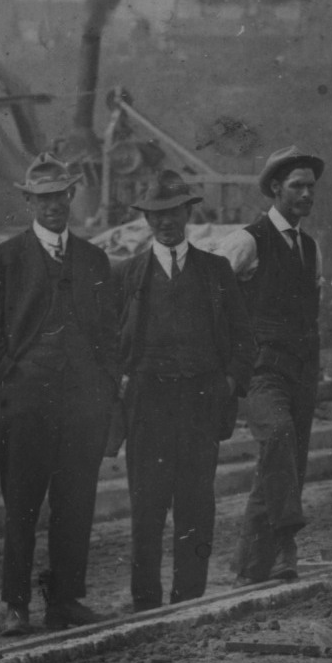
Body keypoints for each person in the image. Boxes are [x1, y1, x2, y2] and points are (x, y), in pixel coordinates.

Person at [0, 155, 120, 634]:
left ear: (71, 197)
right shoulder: (4, 259)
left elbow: (110, 333)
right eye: (43, 197)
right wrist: (8, 377)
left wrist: (103, 387)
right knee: (22, 505)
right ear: (29, 201)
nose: (53, 205)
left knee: (76, 502)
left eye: (60, 195)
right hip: (27, 402)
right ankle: (16, 605)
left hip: (82, 404)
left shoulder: (94, 260)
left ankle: (65, 601)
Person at [120, 168, 254, 610]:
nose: (165, 222)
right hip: (147, 402)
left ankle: (189, 596)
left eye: (173, 211)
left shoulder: (215, 271)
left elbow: (242, 338)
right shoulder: (128, 275)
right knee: (147, 505)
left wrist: (228, 382)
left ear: (188, 212)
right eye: (156, 214)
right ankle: (145, 600)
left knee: (196, 503)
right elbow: (107, 342)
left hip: (200, 403)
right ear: (146, 219)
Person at [228, 144, 323, 584]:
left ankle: (251, 568)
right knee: (278, 437)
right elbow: (214, 296)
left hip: (302, 370)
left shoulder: (311, 247)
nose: (306, 193)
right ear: (274, 189)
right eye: (297, 185)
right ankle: (287, 541)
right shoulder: (248, 240)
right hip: (262, 369)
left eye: (310, 186)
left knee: (283, 462)